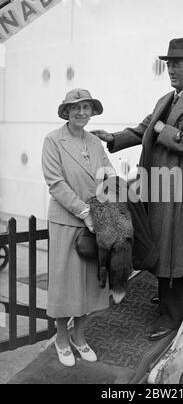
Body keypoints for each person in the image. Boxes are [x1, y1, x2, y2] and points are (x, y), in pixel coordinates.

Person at [92, 38, 183, 341]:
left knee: (173, 249)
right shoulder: (167, 99)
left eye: (177, 64)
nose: (171, 69)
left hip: (178, 189)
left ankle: (172, 315)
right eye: (169, 63)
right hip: (155, 185)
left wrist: (164, 130)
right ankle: (169, 298)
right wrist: (112, 138)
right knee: (158, 244)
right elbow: (143, 128)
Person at [42, 88, 115, 366]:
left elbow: (108, 172)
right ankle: (62, 339)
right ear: (66, 112)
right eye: (76, 108)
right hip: (67, 221)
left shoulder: (95, 143)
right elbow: (55, 183)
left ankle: (79, 337)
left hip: (96, 220)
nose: (81, 112)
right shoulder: (53, 141)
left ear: (92, 112)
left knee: (91, 284)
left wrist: (108, 193)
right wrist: (85, 211)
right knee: (66, 285)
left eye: (86, 107)